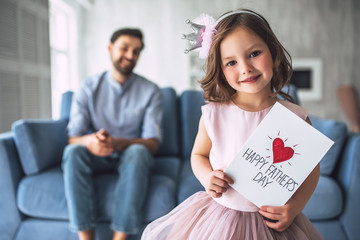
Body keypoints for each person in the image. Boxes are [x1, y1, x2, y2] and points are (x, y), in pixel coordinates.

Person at [142, 9, 322, 240]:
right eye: (231, 62)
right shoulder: (214, 114)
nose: (245, 68)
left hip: (274, 223)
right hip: (221, 219)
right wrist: (208, 177)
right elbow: (198, 155)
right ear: (220, 69)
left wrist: (295, 206)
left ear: (273, 52)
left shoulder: (295, 118)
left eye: (254, 53)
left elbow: (311, 171)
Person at [62, 28, 163, 240]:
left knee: (139, 152)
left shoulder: (151, 91)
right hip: (96, 155)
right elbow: (73, 137)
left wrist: (115, 143)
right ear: (110, 49)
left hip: (129, 156)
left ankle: (120, 237)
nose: (130, 56)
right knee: (73, 152)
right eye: (124, 48)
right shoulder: (88, 87)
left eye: (136, 51)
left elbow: (152, 143)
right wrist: (91, 141)